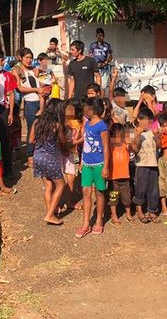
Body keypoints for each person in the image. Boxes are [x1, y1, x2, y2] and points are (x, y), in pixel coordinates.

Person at [76, 98, 110, 238]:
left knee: (100, 193)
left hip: (99, 164)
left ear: (92, 110)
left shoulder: (102, 126)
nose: (84, 112)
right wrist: (82, 161)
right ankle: (85, 224)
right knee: (85, 191)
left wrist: (106, 166)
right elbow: (85, 145)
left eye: (86, 109)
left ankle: (99, 220)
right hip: (87, 164)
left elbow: (106, 146)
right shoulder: (88, 124)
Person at [30, 99, 68, 224]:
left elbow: (31, 140)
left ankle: (50, 212)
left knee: (48, 185)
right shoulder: (57, 125)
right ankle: (50, 215)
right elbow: (63, 142)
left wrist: (42, 141)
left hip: (37, 156)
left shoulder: (37, 122)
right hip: (49, 158)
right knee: (61, 184)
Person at [130, 107, 161, 224]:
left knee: (153, 189)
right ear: (138, 119)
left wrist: (157, 136)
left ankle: (152, 211)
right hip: (141, 164)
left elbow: (159, 146)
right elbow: (135, 149)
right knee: (140, 188)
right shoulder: (134, 131)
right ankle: (139, 210)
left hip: (153, 164)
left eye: (150, 121)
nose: (148, 123)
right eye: (145, 120)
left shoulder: (153, 132)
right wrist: (137, 136)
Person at [13, 48, 41, 167]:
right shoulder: (17, 70)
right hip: (30, 102)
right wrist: (36, 89)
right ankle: (30, 155)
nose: (29, 60)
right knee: (32, 129)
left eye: (30, 58)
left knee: (42, 129)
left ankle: (39, 153)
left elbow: (48, 72)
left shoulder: (34, 69)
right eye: (27, 57)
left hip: (41, 100)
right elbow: (19, 88)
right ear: (21, 57)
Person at [107, 123, 134, 226]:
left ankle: (128, 213)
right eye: (115, 136)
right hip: (113, 178)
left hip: (125, 177)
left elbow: (132, 136)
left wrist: (129, 131)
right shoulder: (109, 146)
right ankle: (114, 215)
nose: (117, 139)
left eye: (120, 136)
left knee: (127, 198)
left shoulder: (126, 145)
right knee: (113, 199)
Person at [63, 98, 84, 210]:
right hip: (64, 152)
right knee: (65, 177)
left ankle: (67, 201)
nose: (68, 111)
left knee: (70, 176)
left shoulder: (79, 121)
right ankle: (63, 202)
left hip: (68, 152)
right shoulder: (65, 121)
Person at [88, 28, 114, 95]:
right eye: (98, 35)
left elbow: (110, 56)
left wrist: (105, 63)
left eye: (101, 35)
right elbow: (90, 56)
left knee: (102, 87)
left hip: (104, 68)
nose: (100, 37)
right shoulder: (92, 45)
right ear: (96, 35)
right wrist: (94, 64)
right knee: (94, 87)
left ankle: (101, 101)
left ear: (104, 35)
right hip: (95, 68)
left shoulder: (107, 45)